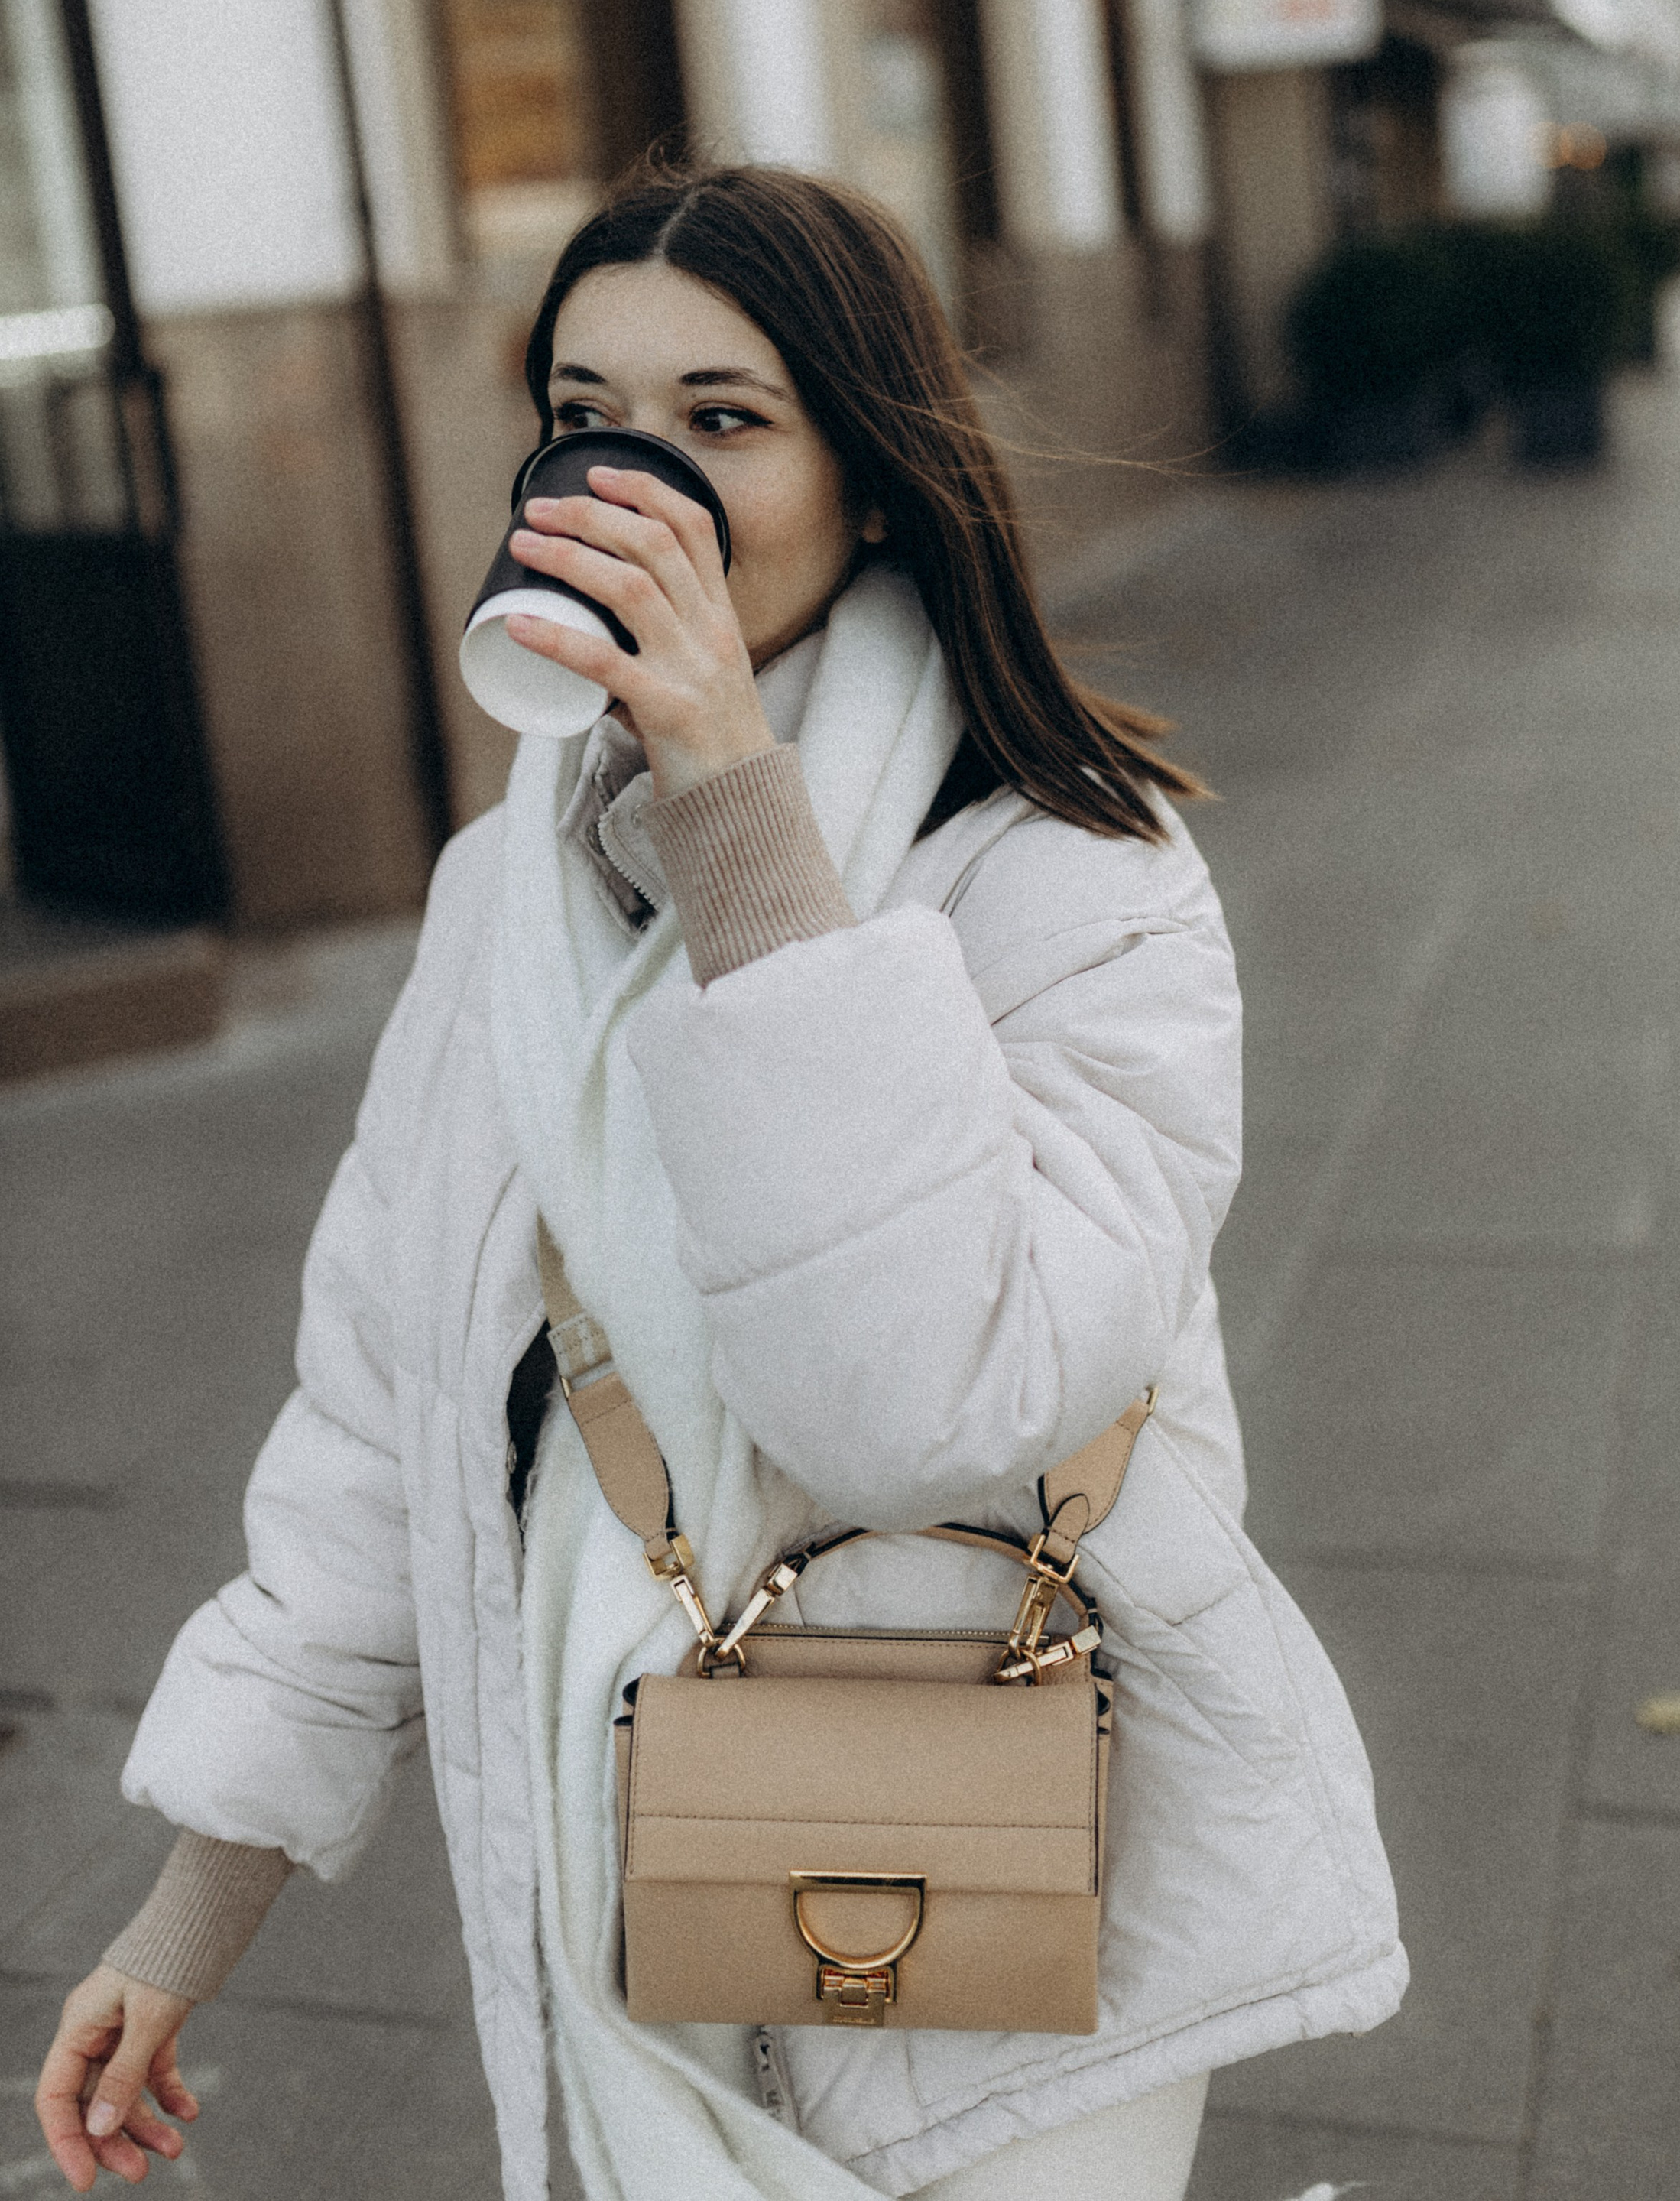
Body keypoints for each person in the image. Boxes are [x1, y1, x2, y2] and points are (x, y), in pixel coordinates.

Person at [36, 167, 1403, 2200]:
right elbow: (379, 1421)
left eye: (722, 419)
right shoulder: (513, 888)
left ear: (871, 478)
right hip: (629, 1903)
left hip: (1008, 1912)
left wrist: (741, 814)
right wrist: (188, 1916)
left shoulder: (1077, 879)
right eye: (584, 412)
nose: (631, 472)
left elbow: (925, 1398)